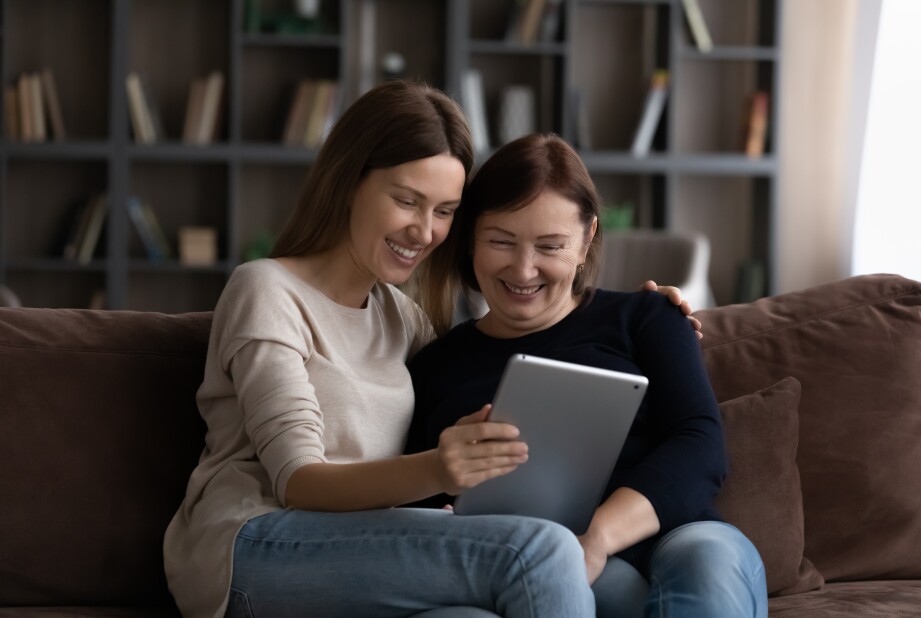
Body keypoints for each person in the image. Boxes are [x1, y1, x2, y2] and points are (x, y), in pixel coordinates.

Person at [163, 80, 601, 618]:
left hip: (361, 550)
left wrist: (638, 319)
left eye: (445, 211)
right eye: (406, 200)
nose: (424, 231)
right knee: (542, 549)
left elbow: (485, 363)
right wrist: (438, 469)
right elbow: (297, 480)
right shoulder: (267, 290)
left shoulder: (404, 318)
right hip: (253, 544)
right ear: (348, 181)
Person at [404, 133, 768, 617]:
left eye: (550, 246)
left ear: (586, 240)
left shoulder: (647, 318)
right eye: (500, 241)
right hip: (540, 555)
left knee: (708, 564)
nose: (524, 268)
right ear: (471, 237)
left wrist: (597, 538)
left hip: (675, 530)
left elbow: (700, 443)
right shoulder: (435, 365)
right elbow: (419, 500)